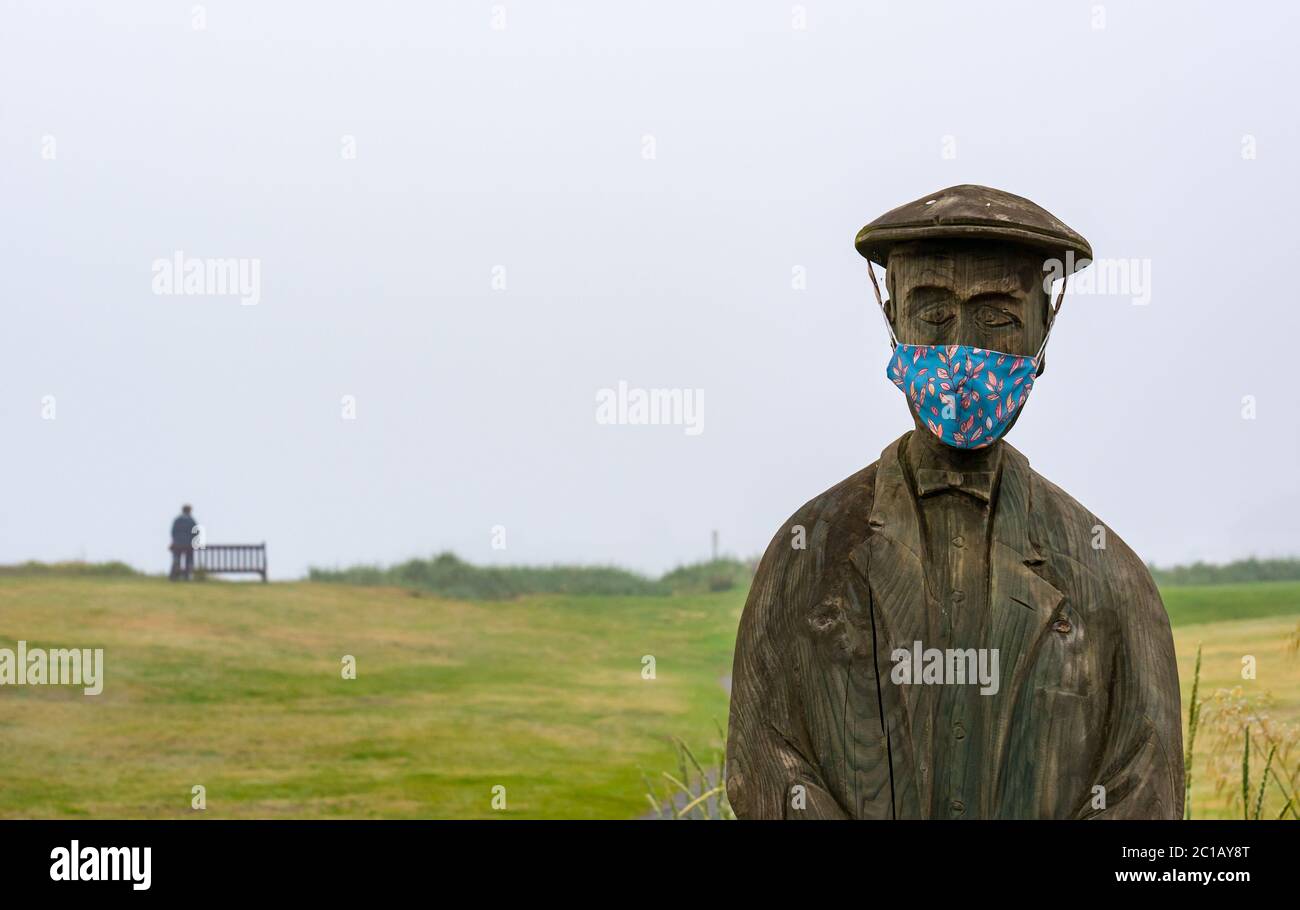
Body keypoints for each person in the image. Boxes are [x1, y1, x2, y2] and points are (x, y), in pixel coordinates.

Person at [725, 185, 1183, 819]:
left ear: (1043, 329)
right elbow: (763, 763)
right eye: (933, 313)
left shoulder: (1111, 578)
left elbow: (1146, 792)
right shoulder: (808, 554)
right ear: (892, 320)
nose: (962, 351)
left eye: (997, 317)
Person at [169, 504, 197, 581]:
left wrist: (175, 540)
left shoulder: (177, 520)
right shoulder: (191, 521)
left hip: (177, 544)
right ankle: (187, 576)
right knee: (189, 559)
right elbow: (196, 532)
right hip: (188, 544)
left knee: (176, 558)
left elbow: (173, 532)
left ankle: (174, 575)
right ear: (189, 511)